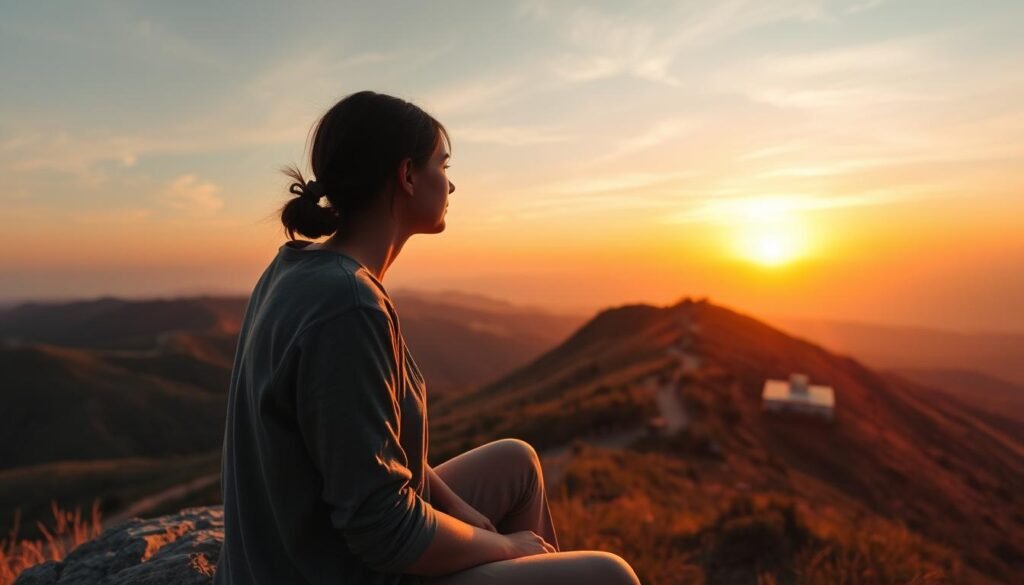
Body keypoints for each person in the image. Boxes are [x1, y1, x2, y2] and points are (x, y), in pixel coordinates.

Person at [214, 90, 642, 585]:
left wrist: (460, 510)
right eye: (443, 163)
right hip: (328, 570)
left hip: (296, 551)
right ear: (408, 175)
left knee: (517, 463)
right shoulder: (348, 306)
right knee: (611, 576)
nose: (452, 183)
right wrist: (503, 546)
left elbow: (362, 450)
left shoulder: (294, 269)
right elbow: (384, 529)